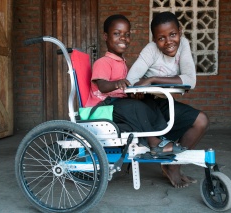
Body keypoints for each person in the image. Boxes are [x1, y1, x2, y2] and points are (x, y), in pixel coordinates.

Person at [127, 12, 209, 188]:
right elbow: (131, 80)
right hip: (146, 104)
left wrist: (153, 79)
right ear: (154, 40)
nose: (168, 41)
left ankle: (172, 165)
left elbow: (190, 80)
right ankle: (169, 163)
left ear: (180, 31)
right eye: (161, 38)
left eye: (172, 34)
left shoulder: (184, 44)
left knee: (201, 121)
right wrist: (142, 88)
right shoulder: (150, 50)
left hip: (163, 102)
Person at [85, 14, 187, 157]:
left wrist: (133, 93)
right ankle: (153, 143)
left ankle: (161, 137)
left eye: (127, 34)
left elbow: (123, 91)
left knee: (150, 102)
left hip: (116, 104)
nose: (123, 38)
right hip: (103, 107)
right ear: (105, 36)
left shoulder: (121, 62)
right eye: (116, 33)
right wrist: (117, 83)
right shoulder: (103, 62)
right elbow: (102, 86)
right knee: (135, 107)